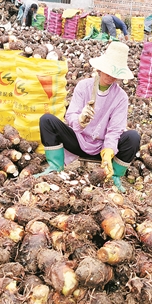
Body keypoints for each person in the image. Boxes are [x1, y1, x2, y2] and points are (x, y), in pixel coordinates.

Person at [36, 42, 140, 192]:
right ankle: (55, 167)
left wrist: (108, 151)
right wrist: (80, 120)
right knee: (47, 120)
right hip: (78, 141)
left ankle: (114, 176)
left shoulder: (121, 97)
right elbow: (70, 116)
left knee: (133, 137)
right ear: (100, 68)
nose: (111, 76)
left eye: (115, 74)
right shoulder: (84, 86)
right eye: (108, 71)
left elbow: (115, 130)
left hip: (102, 148)